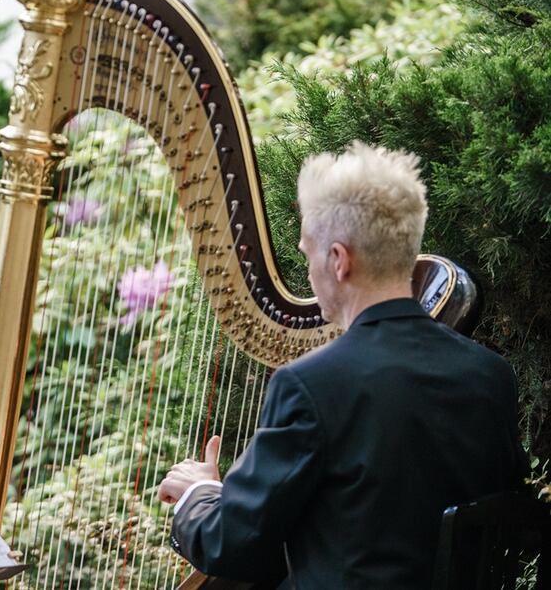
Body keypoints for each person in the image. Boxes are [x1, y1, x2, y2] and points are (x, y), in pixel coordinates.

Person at [159, 143, 528, 588]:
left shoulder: (311, 385)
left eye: (306, 253)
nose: (309, 273)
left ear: (338, 259)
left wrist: (199, 494)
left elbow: (231, 544)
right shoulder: (490, 374)